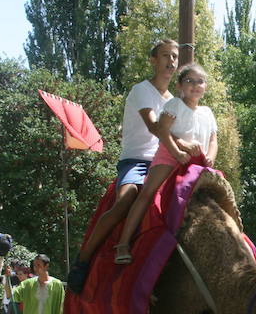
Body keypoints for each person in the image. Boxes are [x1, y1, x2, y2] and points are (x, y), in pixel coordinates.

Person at [66, 39, 180, 292]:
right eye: (165, 55)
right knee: (126, 199)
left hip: (165, 161)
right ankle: (82, 262)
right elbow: (153, 126)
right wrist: (179, 143)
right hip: (137, 160)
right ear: (153, 60)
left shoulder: (174, 100)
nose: (170, 61)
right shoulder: (142, 90)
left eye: (174, 57)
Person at [114, 63, 218, 264]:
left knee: (213, 197)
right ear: (179, 85)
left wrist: (211, 157)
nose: (195, 85)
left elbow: (213, 139)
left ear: (205, 86)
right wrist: (177, 152)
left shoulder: (207, 112)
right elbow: (163, 131)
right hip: (170, 155)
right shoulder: (174, 105)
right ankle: (123, 243)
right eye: (190, 81)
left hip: (197, 162)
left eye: (200, 81)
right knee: (147, 192)